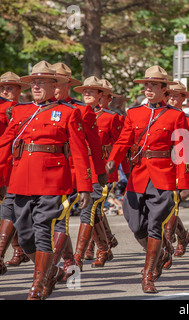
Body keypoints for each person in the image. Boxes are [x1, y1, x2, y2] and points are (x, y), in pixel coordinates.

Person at [0, 60, 92, 300]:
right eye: (34, 82)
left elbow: (80, 152)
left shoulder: (69, 112)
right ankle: (51, 270)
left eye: (42, 82)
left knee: (43, 230)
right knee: (24, 232)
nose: (37, 86)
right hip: (21, 179)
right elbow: (4, 145)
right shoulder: (21, 111)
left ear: (55, 85)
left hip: (53, 180)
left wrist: (84, 187)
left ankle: (38, 285)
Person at [105, 65, 189, 294]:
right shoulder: (134, 113)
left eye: (153, 85)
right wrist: (113, 159)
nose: (148, 88)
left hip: (164, 176)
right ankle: (162, 251)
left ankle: (148, 275)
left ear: (165, 90)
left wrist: (184, 183)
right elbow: (124, 140)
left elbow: (182, 151)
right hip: (139, 174)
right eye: (146, 85)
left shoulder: (176, 115)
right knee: (135, 223)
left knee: (155, 225)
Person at [49, 64, 108, 285]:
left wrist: (100, 172)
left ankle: (74, 260)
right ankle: (68, 261)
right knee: (56, 220)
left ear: (68, 84)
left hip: (79, 172)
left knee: (78, 215)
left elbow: (93, 143)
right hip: (53, 172)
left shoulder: (81, 110)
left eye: (59, 81)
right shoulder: (36, 109)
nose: (54, 86)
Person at [69, 76, 119, 271]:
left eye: (93, 91)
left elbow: (122, 144)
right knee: (94, 211)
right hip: (81, 167)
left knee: (89, 209)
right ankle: (105, 247)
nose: (88, 94)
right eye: (85, 90)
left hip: (101, 169)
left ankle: (78, 257)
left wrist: (112, 166)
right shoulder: (76, 112)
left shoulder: (111, 117)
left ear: (103, 96)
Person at [163, 80, 189, 269]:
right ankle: (184, 236)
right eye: (169, 94)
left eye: (176, 95)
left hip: (181, 168)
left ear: (184, 99)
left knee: (172, 207)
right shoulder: (159, 117)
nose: (171, 98)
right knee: (167, 208)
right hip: (162, 168)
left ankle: (166, 249)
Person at [0, 71, 30, 274]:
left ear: (19, 90)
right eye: (3, 87)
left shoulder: (24, 110)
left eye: (10, 87)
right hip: (3, 163)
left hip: (17, 164)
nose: (6, 91)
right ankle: (19, 250)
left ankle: (12, 252)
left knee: (11, 208)